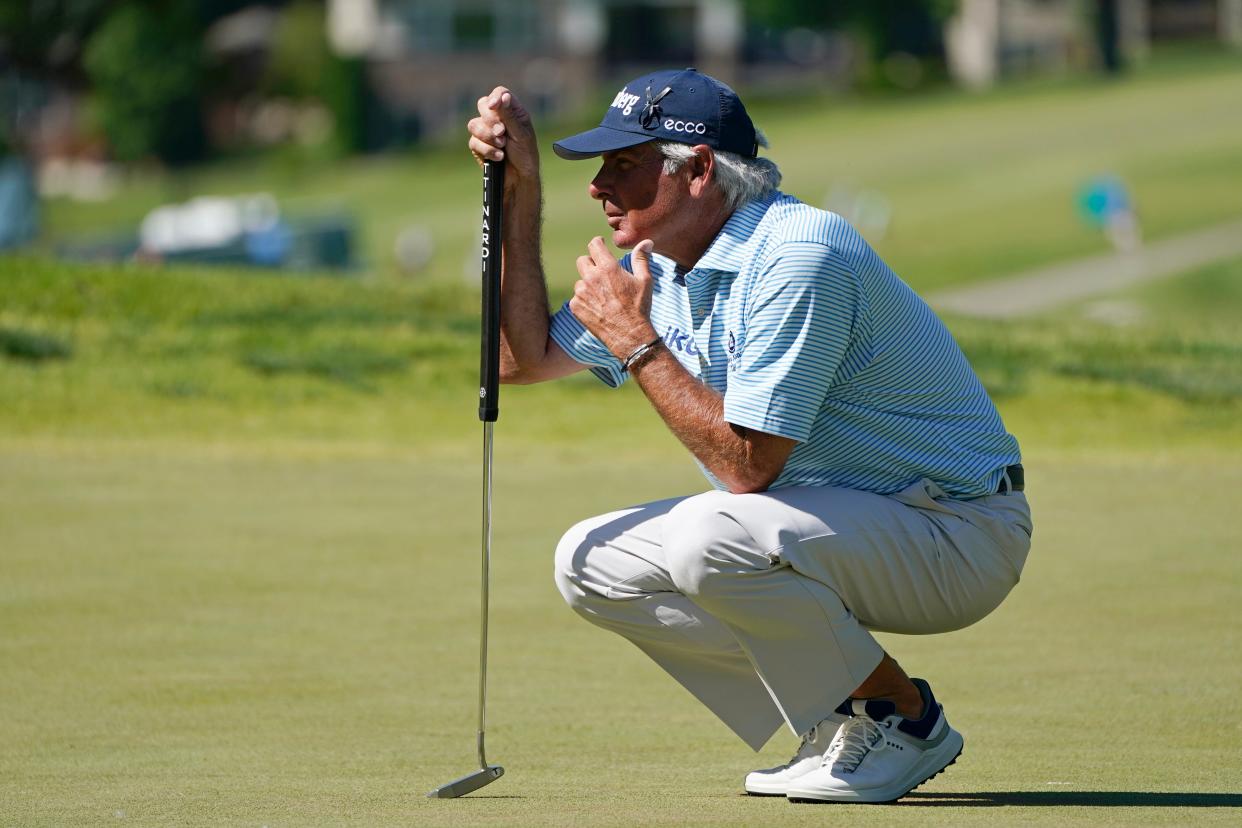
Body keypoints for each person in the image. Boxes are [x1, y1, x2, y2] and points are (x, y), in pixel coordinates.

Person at [465, 68, 1032, 805]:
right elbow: (521, 358)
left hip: (955, 532)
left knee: (710, 533)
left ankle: (901, 717)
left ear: (698, 170)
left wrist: (637, 343)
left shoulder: (799, 255)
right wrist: (520, 193)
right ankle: (843, 717)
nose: (600, 186)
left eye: (625, 164)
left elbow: (746, 469)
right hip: (835, 525)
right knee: (589, 561)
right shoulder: (662, 262)